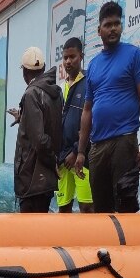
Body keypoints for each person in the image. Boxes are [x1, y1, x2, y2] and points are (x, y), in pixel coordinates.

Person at [74, 1, 140, 213]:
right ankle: (106, 247)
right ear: (99, 30)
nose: (113, 28)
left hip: (124, 141)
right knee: (101, 210)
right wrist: (81, 152)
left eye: (117, 24)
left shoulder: (135, 56)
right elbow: (87, 110)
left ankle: (128, 248)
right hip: (98, 147)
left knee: (125, 207)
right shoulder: (93, 65)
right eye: (108, 24)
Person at [7, 46, 63, 213]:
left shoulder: (31, 94)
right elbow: (50, 124)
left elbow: (39, 140)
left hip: (32, 179)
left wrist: (51, 161)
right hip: (44, 181)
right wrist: (23, 118)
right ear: (44, 68)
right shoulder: (56, 93)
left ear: (25, 72)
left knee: (29, 235)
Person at [57, 37, 94, 213]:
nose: (68, 61)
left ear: (81, 56)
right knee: (63, 208)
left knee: (87, 207)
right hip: (62, 161)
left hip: (80, 157)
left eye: (72, 57)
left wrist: (75, 151)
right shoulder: (60, 89)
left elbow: (91, 122)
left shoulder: (88, 83)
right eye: (65, 58)